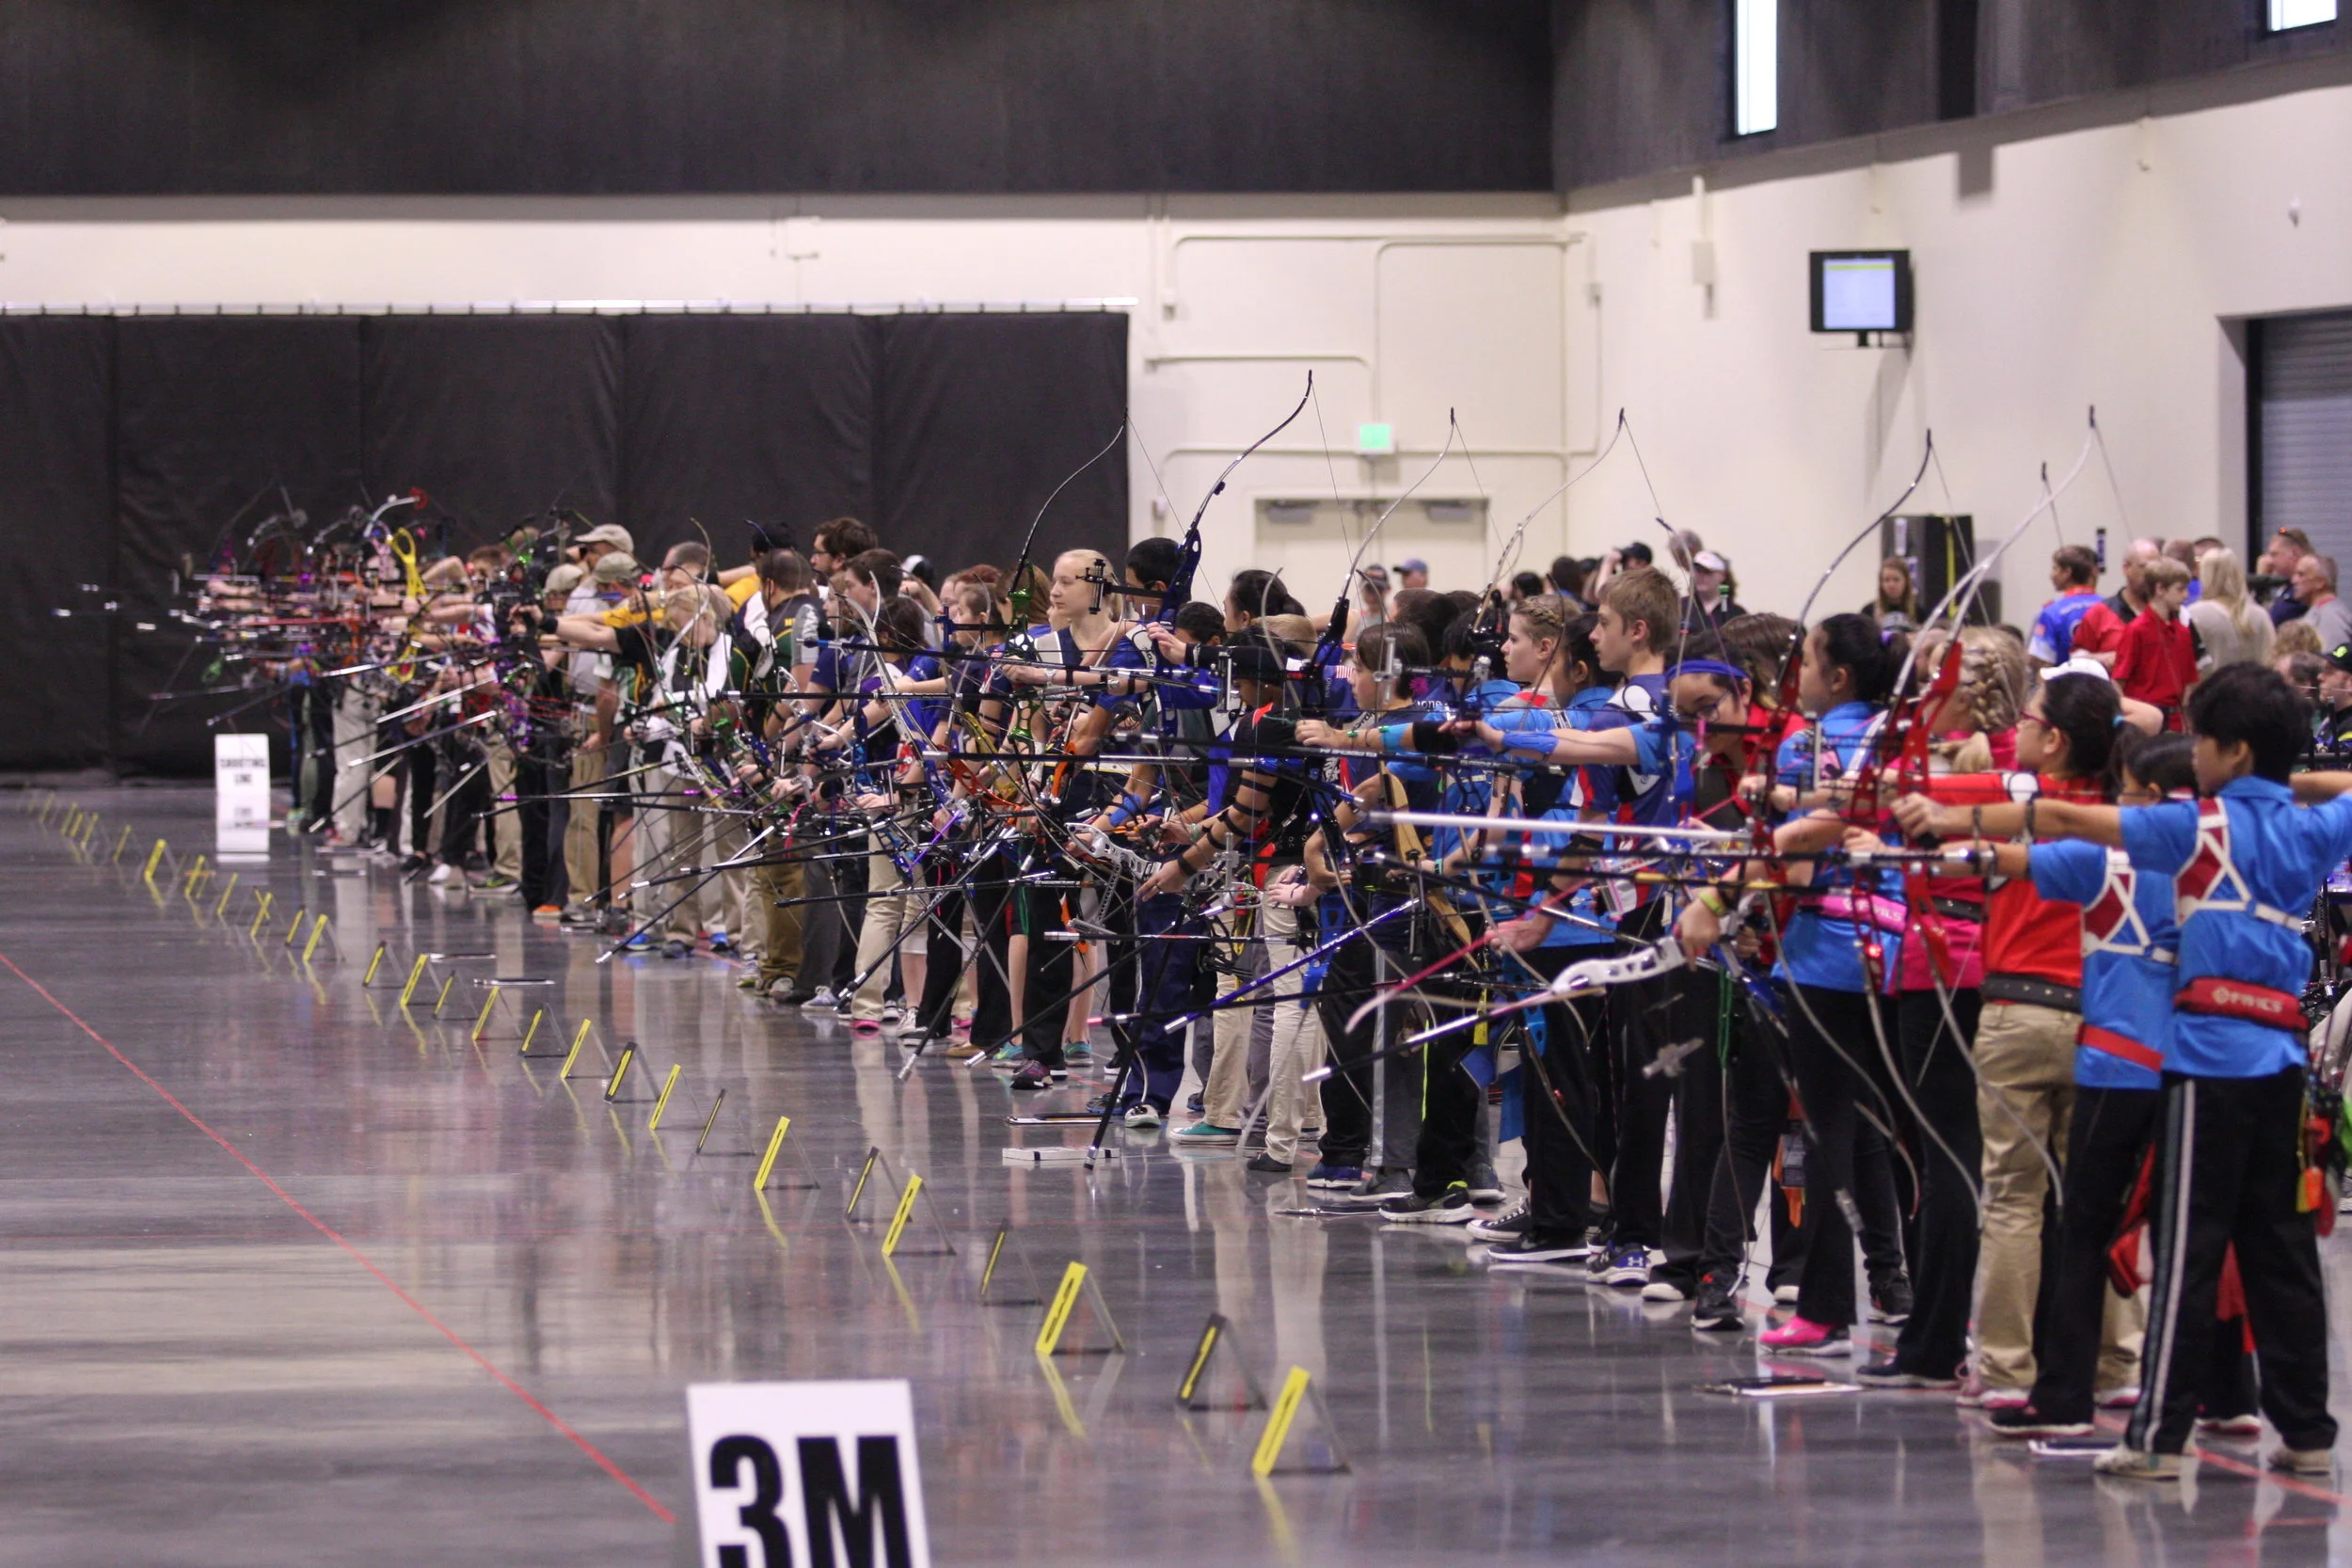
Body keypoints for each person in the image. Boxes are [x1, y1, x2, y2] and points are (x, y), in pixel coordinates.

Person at [1899, 665, 2343, 1481]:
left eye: (2206, 741)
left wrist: (1952, 814)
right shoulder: (2313, 833)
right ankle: (2310, 1431)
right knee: (2279, 1251)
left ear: (2234, 752)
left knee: (2186, 1248)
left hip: (2207, 1064)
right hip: (2281, 1062)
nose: (2196, 756)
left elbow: (2068, 814)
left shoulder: (2198, 828)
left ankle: (2159, 1438)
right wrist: (2288, 778)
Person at [2112, 556, 2198, 725]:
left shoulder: (2182, 632)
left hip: (2176, 719)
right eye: (2180, 589)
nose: (2186, 595)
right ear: (2160, 589)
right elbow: (2118, 681)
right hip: (2146, 718)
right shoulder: (2136, 630)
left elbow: (2189, 683)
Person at [2074, 538, 2164, 668]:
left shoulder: (2171, 612)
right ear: (2126, 568)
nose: (2151, 574)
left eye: (2156, 568)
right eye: (2143, 567)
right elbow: (2076, 658)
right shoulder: (2100, 613)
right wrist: (2102, 659)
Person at [2183, 546, 2273, 673]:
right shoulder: (2260, 616)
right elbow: (2271, 660)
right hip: (2256, 690)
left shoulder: (2195, 615)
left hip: (2211, 691)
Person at [2028, 545, 2105, 668]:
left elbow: (2042, 662)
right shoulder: (2110, 606)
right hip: (2104, 684)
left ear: (2067, 573)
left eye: (2055, 568)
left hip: (2065, 684)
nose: (2052, 575)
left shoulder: (2052, 612)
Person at [2289, 552, 2352, 653]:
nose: (2294, 581)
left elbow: (2334, 662)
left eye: (2301, 575)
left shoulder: (2330, 617)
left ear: (2320, 582)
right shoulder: (2322, 611)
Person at [2263, 526, 2312, 625]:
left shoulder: (2304, 589)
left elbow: (2270, 622)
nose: (2269, 561)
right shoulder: (2287, 586)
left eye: (2274, 554)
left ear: (2294, 553)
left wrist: (2261, 580)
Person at [1866, 557, 1920, 632]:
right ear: (1881, 583)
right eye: (1886, 580)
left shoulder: (1918, 611)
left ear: (1906, 582)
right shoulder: (1868, 611)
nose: (1891, 585)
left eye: (1896, 580)